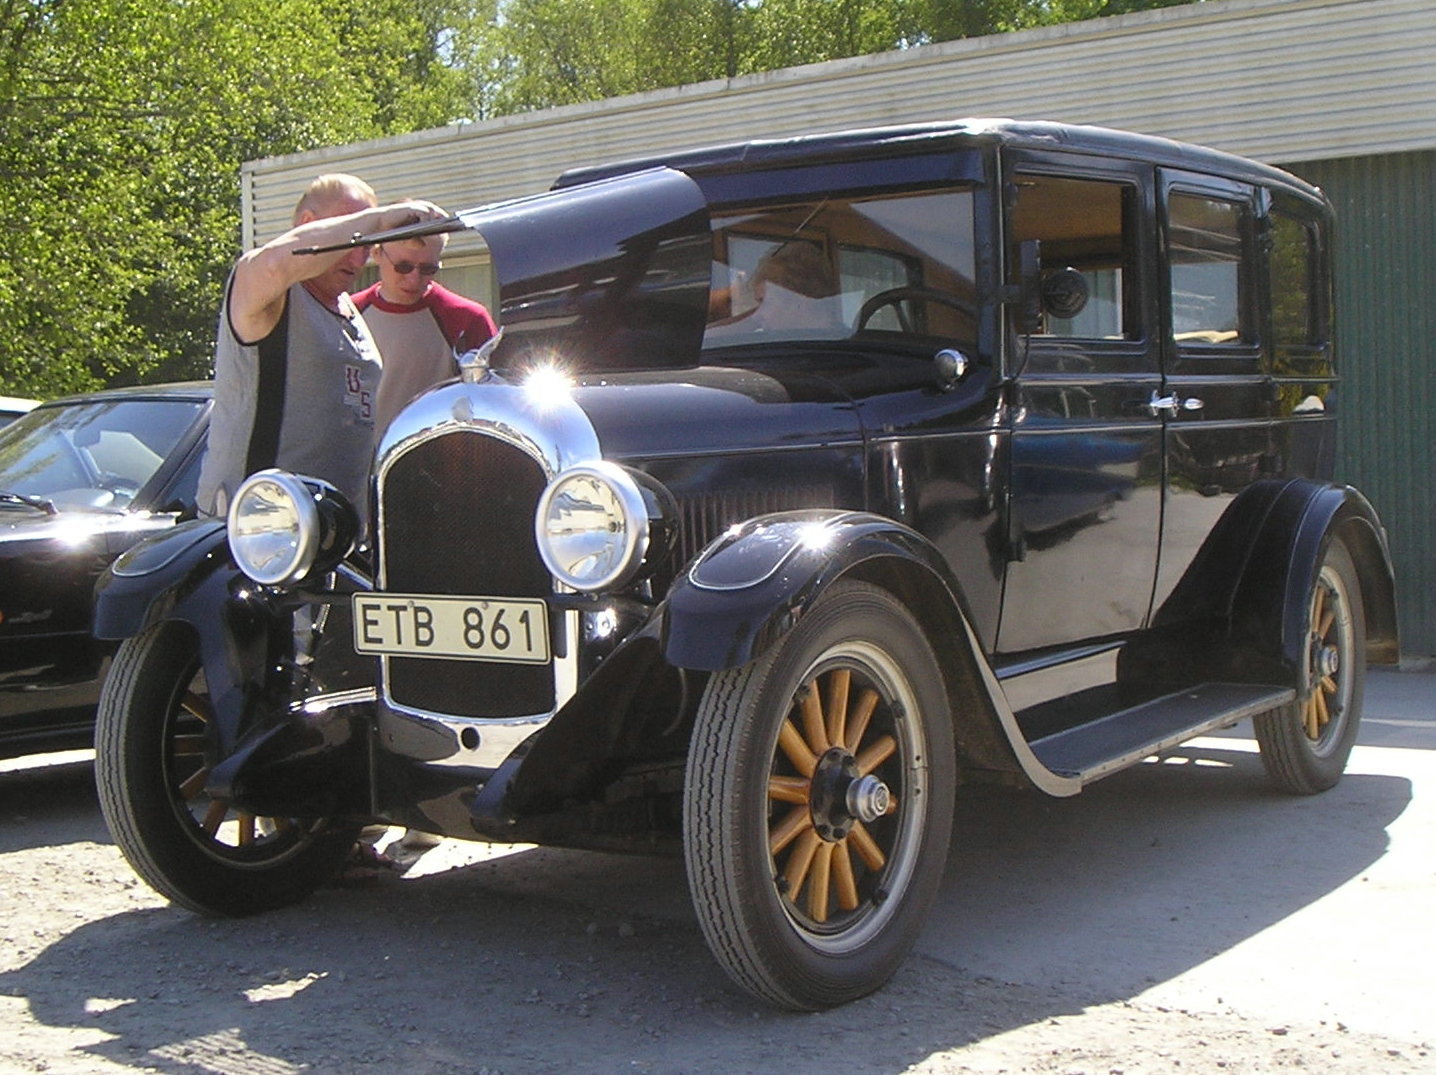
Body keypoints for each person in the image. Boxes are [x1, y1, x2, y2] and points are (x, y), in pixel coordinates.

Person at [197, 173, 445, 522]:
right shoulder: (266, 290)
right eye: (352, 235)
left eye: (365, 244)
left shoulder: (349, 311)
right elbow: (273, 263)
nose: (358, 258)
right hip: (257, 541)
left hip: (333, 538)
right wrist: (379, 219)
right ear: (308, 224)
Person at [351, 230, 497, 436]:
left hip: (439, 454)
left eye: (428, 269)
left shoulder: (466, 318)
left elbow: (493, 403)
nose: (414, 279)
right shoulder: (349, 313)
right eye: (403, 267)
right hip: (359, 460)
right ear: (377, 253)